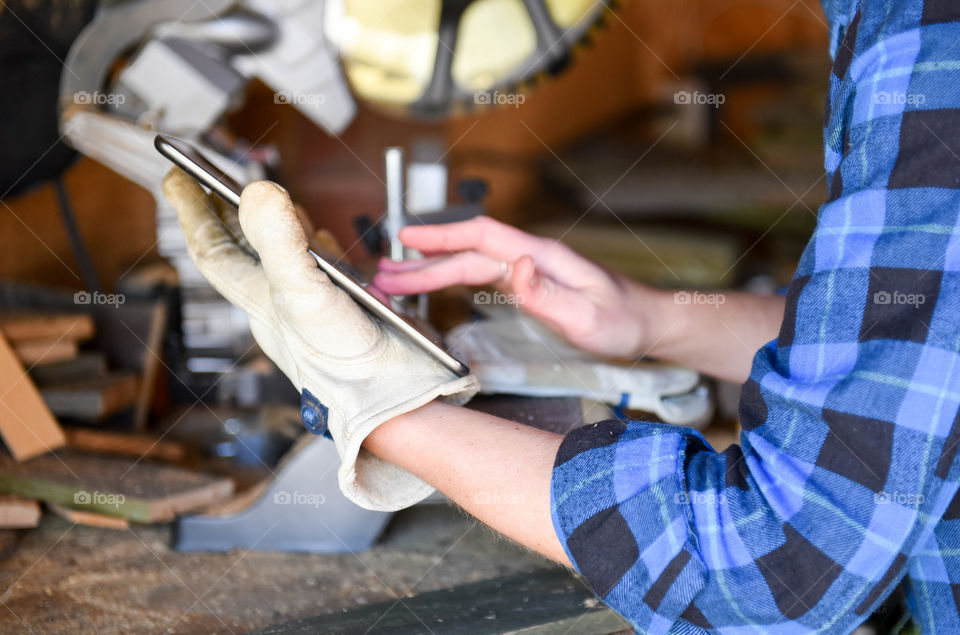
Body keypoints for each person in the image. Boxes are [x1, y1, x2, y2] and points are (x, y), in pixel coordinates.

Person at [163, 0, 960, 631]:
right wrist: (652, 318)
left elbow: (776, 566)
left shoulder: (931, 44)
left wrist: (376, 406)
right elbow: (908, 354)